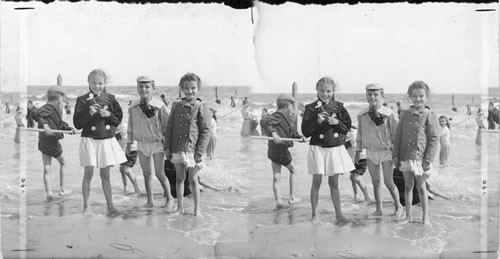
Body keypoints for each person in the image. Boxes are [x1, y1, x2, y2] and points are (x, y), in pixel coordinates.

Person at [73, 69, 127, 216]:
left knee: (106, 175)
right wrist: (88, 113)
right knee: (88, 173)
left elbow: (118, 120)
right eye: (94, 83)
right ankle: (86, 206)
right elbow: (77, 124)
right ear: (88, 82)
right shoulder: (82, 100)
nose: (97, 86)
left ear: (105, 83)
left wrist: (109, 114)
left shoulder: (110, 99)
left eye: (100, 83)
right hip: (89, 139)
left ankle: (110, 206)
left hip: (106, 140)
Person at [301, 77, 355, 223]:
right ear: (317, 90)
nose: (325, 94)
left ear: (333, 91)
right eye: (322, 91)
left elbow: (347, 128)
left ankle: (339, 214)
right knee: (316, 182)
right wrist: (317, 120)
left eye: (328, 91)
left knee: (334, 183)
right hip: (317, 147)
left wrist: (337, 122)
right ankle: (314, 214)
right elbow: (305, 132)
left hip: (335, 148)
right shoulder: (310, 108)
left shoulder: (339, 107)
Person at [393, 81, 439, 225]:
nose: (418, 99)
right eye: (414, 96)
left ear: (427, 97)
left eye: (421, 96)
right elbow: (398, 136)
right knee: (408, 186)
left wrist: (428, 160)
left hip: (420, 159)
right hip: (405, 156)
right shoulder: (405, 114)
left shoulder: (430, 114)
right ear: (410, 97)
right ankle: (408, 216)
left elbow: (433, 139)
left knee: (421, 187)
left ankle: (425, 218)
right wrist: (396, 155)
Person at [164, 73, 211, 216]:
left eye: (193, 88)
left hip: (193, 150)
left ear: (198, 89)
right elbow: (169, 127)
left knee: (193, 179)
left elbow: (206, 130)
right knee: (179, 178)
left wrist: (199, 152)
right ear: (181, 89)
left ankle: (197, 210)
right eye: (186, 88)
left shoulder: (201, 106)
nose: (190, 91)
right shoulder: (176, 105)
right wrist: (167, 147)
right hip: (178, 148)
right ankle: (180, 208)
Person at [355, 84, 403, 218]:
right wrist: (358, 151)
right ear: (366, 96)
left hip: (386, 152)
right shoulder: (362, 115)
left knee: (388, 182)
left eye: (376, 94)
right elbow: (359, 134)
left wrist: (397, 154)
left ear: (382, 97)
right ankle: (379, 209)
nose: (372, 97)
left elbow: (397, 135)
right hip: (371, 152)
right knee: (376, 182)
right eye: (369, 94)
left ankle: (398, 205)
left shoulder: (389, 114)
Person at [127, 76, 174, 209]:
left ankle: (169, 198)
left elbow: (167, 125)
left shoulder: (160, 106)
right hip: (142, 144)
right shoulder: (133, 106)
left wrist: (168, 145)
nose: (144, 89)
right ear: (137, 88)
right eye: (141, 86)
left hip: (157, 143)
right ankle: (150, 201)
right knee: (147, 174)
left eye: (147, 86)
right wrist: (129, 143)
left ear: (153, 88)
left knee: (160, 174)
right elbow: (130, 126)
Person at [32, 86, 76, 200]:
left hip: (43, 141)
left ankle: (49, 194)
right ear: (59, 97)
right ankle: (62, 189)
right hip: (51, 142)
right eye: (62, 97)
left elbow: (58, 123)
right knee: (63, 163)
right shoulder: (52, 106)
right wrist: (46, 126)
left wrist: (69, 129)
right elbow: (35, 112)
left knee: (47, 168)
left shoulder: (53, 107)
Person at [261, 94, 304, 209]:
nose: (293, 108)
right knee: (293, 170)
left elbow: (290, 134)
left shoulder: (286, 117)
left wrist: (300, 137)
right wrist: (274, 133)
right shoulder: (280, 115)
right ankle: (292, 197)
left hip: (272, 150)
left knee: (276, 176)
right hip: (281, 150)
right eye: (292, 105)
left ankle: (278, 201)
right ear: (288, 105)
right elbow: (264, 120)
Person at [345, 129, 372, 202]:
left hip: (361, 159)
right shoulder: (346, 136)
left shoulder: (353, 134)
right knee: (352, 177)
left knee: (357, 178)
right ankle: (356, 194)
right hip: (352, 159)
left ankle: (367, 197)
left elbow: (356, 149)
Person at [115, 122, 141, 194]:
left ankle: (137, 189)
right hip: (123, 150)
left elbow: (123, 142)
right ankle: (125, 187)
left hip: (131, 149)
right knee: (122, 169)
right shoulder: (116, 127)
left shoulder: (122, 127)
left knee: (127, 170)